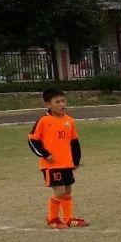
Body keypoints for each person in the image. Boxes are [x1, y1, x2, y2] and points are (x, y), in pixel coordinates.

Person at [27, 88, 88, 228]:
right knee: (59, 191)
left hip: (66, 163)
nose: (62, 104)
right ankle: (52, 219)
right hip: (51, 165)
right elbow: (32, 140)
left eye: (63, 101)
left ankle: (68, 218)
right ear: (48, 105)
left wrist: (76, 160)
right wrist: (45, 154)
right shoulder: (43, 121)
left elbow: (74, 143)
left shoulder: (69, 121)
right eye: (57, 101)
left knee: (67, 191)